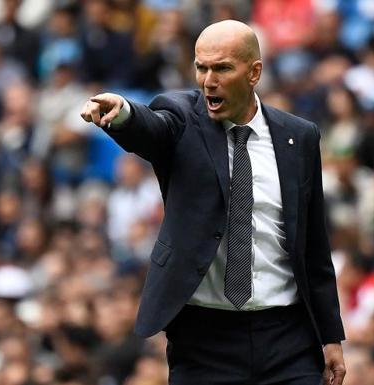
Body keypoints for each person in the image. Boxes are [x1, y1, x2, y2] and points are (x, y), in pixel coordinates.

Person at [80, 20, 346, 385]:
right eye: (201, 66)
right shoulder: (181, 117)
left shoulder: (298, 137)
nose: (208, 80)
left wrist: (331, 336)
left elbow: (313, 246)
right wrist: (124, 112)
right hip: (204, 340)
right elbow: (151, 129)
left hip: (289, 335)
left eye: (222, 67)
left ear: (254, 72)